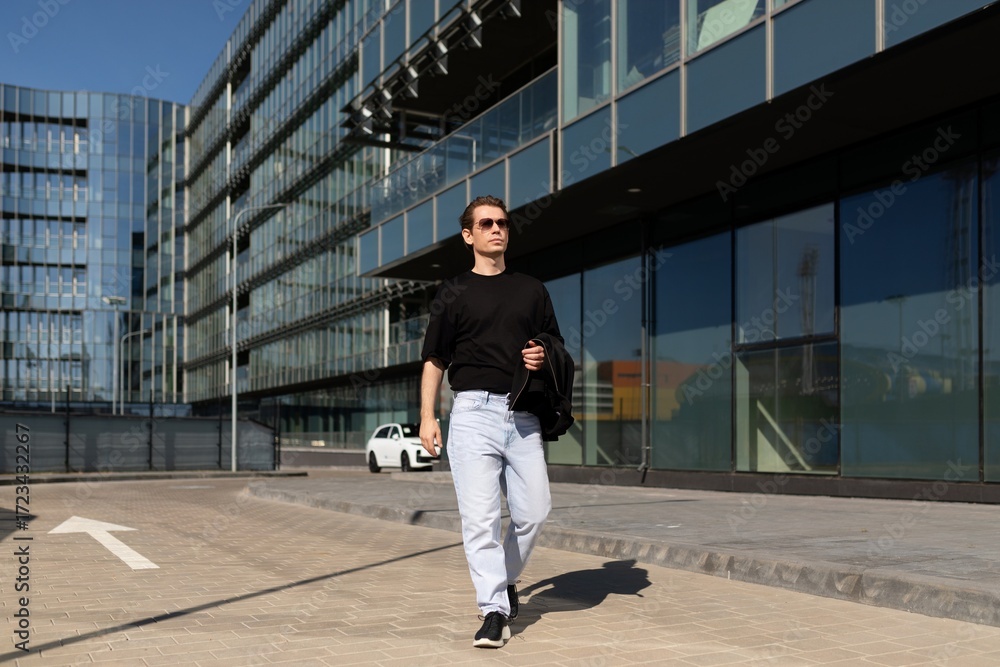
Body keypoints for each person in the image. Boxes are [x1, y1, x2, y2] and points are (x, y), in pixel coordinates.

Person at [419, 195, 565, 648]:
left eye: (502, 222)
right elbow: (435, 359)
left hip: (522, 414)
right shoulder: (453, 291)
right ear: (469, 235)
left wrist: (542, 354)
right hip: (471, 413)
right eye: (486, 224)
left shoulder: (532, 289)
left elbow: (556, 345)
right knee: (480, 520)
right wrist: (427, 416)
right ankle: (494, 611)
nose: (497, 229)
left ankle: (504, 579)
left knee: (535, 512)